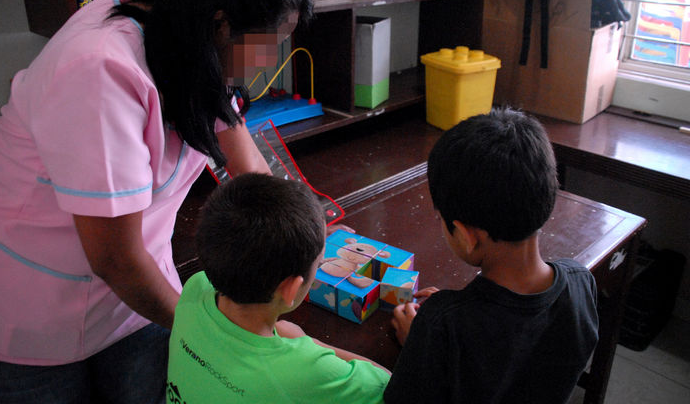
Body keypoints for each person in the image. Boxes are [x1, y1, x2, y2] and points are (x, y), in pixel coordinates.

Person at [0, 0, 312, 403]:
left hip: (137, 292)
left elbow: (248, 164)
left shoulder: (192, 41)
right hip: (31, 311)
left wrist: (301, 240)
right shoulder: (101, 68)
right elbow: (114, 259)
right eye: (268, 43)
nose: (268, 60)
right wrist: (220, 332)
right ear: (221, 24)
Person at [383, 108, 599, 404]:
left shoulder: (442, 327)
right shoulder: (580, 281)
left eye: (440, 219)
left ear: (466, 235)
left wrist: (419, 342)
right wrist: (451, 311)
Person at [166, 173, 390, 403]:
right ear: (291, 289)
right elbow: (389, 386)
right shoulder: (308, 371)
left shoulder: (196, 286)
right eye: (319, 262)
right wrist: (306, 342)